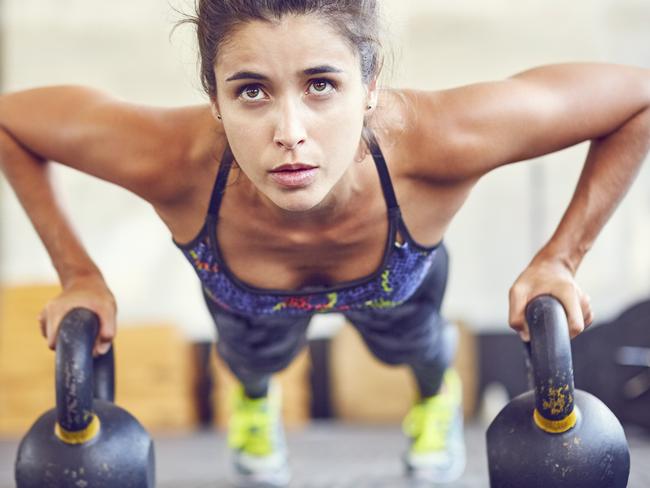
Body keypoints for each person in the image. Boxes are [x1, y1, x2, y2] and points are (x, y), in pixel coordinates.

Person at [1, 0, 649, 485]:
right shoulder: (173, 159)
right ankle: (256, 401)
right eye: (251, 91)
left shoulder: (438, 139)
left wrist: (561, 258)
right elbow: (11, 124)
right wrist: (77, 273)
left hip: (396, 278)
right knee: (251, 360)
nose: (290, 131)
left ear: (369, 88)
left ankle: (434, 397)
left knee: (419, 347)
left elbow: (637, 101)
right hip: (247, 301)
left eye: (321, 85)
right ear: (215, 100)